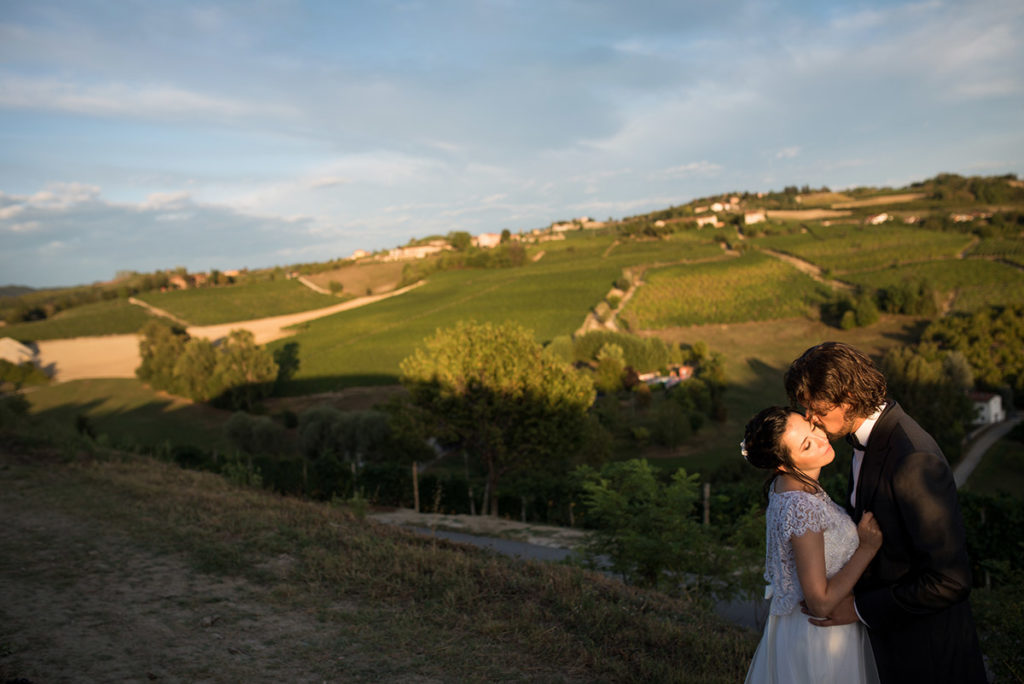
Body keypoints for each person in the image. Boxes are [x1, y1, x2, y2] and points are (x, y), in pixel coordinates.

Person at [785, 341, 987, 684]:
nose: (810, 418)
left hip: (928, 657)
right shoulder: (868, 438)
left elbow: (950, 581)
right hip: (891, 649)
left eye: (815, 409)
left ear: (846, 396)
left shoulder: (912, 459)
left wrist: (859, 609)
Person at [742, 405, 881, 684]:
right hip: (821, 639)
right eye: (807, 445)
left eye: (813, 429)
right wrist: (867, 548)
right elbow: (819, 603)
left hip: (800, 628)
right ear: (783, 464)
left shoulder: (784, 486)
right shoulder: (801, 506)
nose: (821, 439)